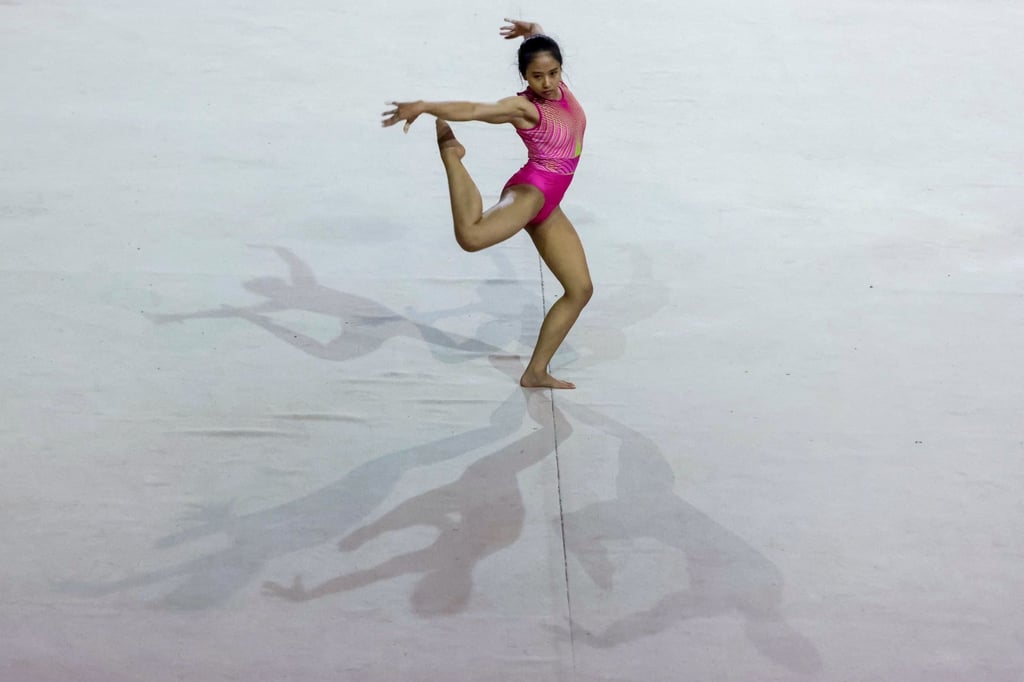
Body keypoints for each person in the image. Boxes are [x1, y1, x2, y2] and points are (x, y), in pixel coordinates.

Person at [381, 18, 592, 389]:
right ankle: (452, 154)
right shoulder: (525, 108)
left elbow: (541, 40)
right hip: (532, 190)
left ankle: (536, 371)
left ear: (561, 68)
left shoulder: (561, 91)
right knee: (472, 237)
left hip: (551, 204)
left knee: (580, 290)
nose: (546, 83)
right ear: (524, 76)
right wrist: (428, 105)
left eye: (553, 73)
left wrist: (530, 30)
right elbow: (477, 110)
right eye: (536, 76)